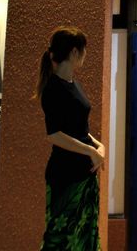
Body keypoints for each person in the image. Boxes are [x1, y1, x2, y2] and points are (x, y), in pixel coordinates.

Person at [35, 26, 105, 251]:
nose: (85, 55)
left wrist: (98, 145)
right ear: (75, 52)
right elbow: (55, 135)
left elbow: (78, 128)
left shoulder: (74, 84)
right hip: (65, 174)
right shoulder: (53, 89)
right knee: (60, 237)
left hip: (84, 173)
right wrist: (90, 151)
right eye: (84, 50)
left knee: (84, 236)